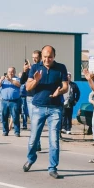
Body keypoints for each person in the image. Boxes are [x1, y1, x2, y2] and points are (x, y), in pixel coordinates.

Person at [22, 45, 68, 179]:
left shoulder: (61, 68)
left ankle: (52, 168)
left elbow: (65, 86)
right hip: (38, 107)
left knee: (54, 140)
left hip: (55, 108)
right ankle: (31, 159)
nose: (47, 60)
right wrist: (36, 80)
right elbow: (28, 88)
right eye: (45, 57)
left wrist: (59, 91)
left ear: (54, 56)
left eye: (50, 57)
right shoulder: (35, 68)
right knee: (33, 140)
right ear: (41, 56)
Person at [20, 50, 43, 151]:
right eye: (33, 57)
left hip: (38, 96)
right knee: (33, 121)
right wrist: (25, 71)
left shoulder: (41, 67)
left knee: (37, 121)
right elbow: (22, 82)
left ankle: (35, 143)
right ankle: (36, 143)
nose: (34, 59)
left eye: (36, 57)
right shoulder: (30, 69)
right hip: (29, 97)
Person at [0, 67, 21, 137]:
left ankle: (17, 131)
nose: (10, 73)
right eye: (9, 71)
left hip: (14, 101)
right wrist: (1, 79)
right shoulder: (3, 80)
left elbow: (19, 85)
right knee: (4, 117)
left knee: (15, 117)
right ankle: (5, 131)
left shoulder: (16, 79)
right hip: (4, 101)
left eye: (12, 71)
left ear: (15, 72)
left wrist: (10, 80)